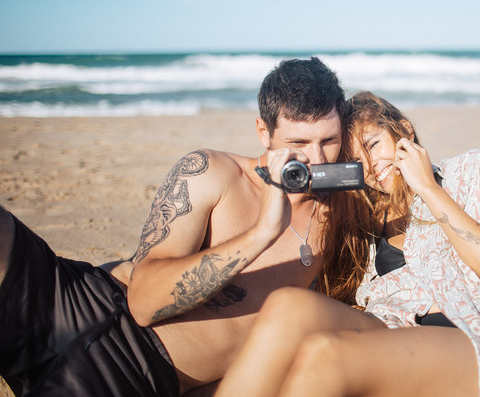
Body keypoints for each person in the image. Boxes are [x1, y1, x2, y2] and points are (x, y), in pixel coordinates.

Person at [0, 57, 346, 396]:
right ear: (262, 132)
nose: (316, 159)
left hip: (138, 381)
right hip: (77, 303)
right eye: (298, 143)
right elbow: (143, 302)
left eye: (328, 141)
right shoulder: (214, 171)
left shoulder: (344, 221)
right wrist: (263, 232)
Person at [216, 91, 480, 397]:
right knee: (287, 305)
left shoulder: (467, 171)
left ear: (404, 130)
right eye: (355, 160)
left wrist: (428, 188)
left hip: (466, 338)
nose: (371, 167)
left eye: (373, 144)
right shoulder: (361, 218)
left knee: (326, 355)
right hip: (388, 327)